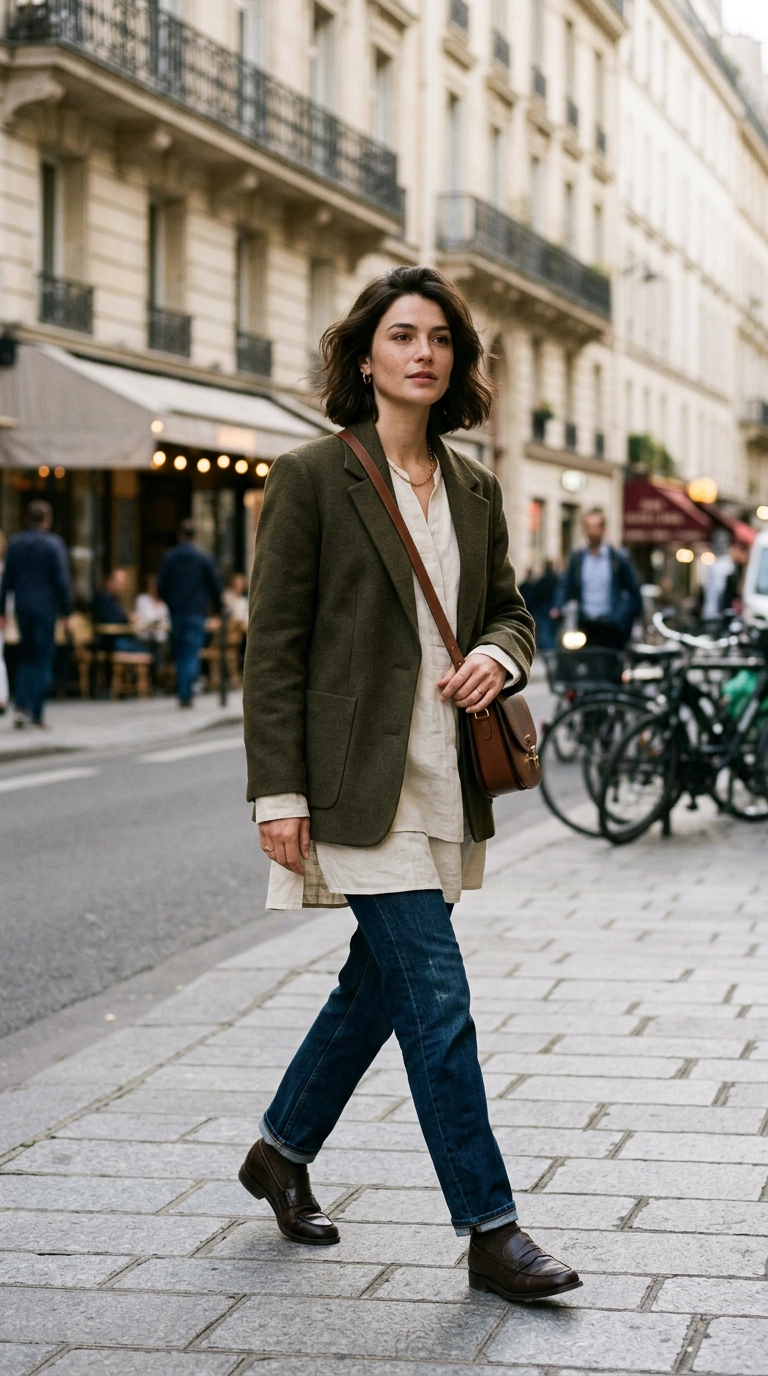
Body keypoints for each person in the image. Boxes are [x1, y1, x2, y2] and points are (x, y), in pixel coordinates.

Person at [240, 265, 581, 1303]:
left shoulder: (475, 488)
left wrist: (499, 656)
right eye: (401, 334)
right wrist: (278, 793)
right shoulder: (312, 476)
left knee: (378, 985)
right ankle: (491, 1227)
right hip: (355, 785)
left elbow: (511, 610)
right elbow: (274, 647)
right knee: (435, 992)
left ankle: (280, 1151)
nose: (423, 352)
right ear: (365, 356)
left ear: (457, 362)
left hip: (446, 778)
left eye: (439, 338)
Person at [0, 499, 73, 728]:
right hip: (46, 609)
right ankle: (37, 712)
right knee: (42, 659)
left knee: (26, 657)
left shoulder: (16, 544)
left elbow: (7, 580)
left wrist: (1, 611)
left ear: (27, 519)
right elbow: (62, 581)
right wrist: (67, 612)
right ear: (47, 520)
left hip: (23, 608)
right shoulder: (53, 545)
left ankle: (21, 707)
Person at [553, 508, 642, 650]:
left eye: (596, 527)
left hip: (611, 626)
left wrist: (622, 616)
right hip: (585, 624)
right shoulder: (578, 559)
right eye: (588, 527)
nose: (592, 532)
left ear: (603, 529)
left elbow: (634, 591)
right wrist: (558, 606)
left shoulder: (617, 559)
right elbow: (565, 585)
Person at [157, 519, 222, 707]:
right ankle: (187, 691)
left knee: (180, 651)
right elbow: (215, 586)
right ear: (196, 536)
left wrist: (171, 603)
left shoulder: (170, 557)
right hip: (196, 611)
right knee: (192, 651)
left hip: (177, 611)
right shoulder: (203, 557)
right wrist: (217, 608)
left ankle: (183, 690)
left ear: (180, 535)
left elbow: (161, 585)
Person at [93, 569, 146, 653]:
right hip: (110, 642)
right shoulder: (103, 599)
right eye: (119, 583)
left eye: (123, 584)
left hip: (118, 639)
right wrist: (127, 619)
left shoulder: (113, 599)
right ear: (110, 581)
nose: (122, 587)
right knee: (147, 651)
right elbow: (111, 620)